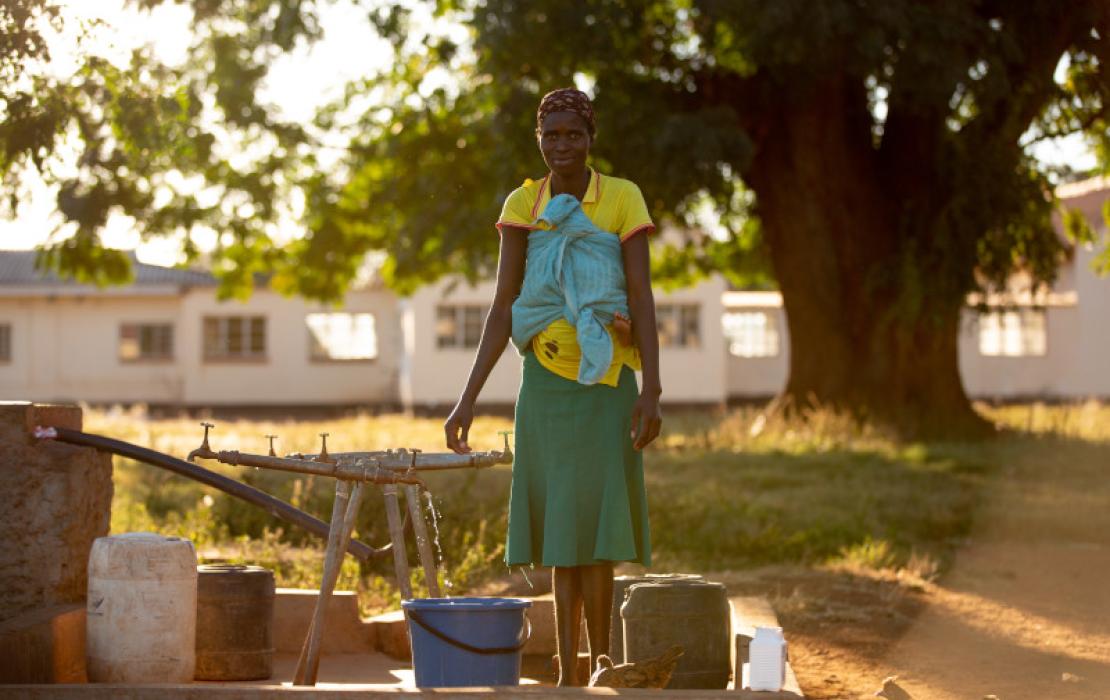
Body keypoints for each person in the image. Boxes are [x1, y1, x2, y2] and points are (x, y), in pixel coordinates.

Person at [444, 87, 662, 686]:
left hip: (608, 383)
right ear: (538, 140)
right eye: (551, 135)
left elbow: (640, 296)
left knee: (599, 530)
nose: (562, 145)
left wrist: (653, 389)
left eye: (573, 134)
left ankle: (601, 662)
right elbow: (503, 304)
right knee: (562, 534)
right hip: (543, 386)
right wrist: (466, 400)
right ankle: (567, 670)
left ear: (591, 138)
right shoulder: (523, 203)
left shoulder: (620, 197)